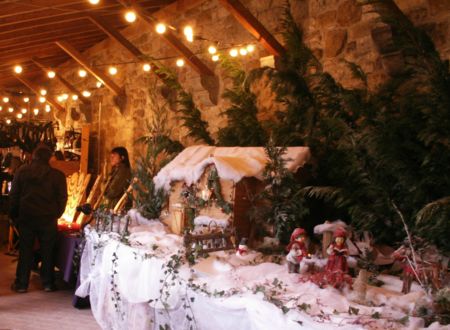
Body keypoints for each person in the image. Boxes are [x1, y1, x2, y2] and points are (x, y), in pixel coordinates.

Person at [9, 145, 68, 293]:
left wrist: (14, 215)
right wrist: (57, 213)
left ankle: (21, 284)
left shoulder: (22, 172)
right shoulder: (57, 175)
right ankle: (48, 283)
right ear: (49, 158)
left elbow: (14, 196)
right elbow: (62, 198)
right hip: (48, 218)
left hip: (26, 217)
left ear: (34, 157)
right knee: (48, 251)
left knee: (25, 251)